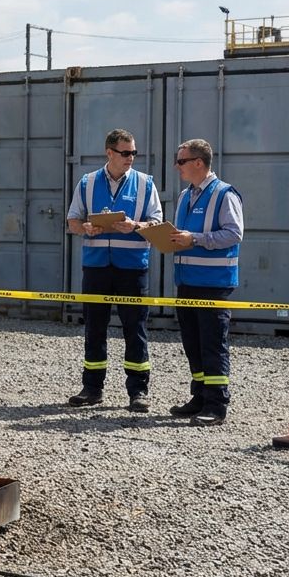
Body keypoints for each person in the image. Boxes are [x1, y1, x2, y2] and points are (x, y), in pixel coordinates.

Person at [65, 128, 162, 411]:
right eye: (125, 153)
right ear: (109, 153)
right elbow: (72, 221)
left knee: (135, 329)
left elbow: (157, 223)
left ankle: (138, 392)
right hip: (95, 268)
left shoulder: (146, 184)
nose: (131, 158)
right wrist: (84, 227)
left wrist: (136, 226)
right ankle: (92, 388)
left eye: (133, 152)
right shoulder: (87, 183)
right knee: (94, 328)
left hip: (132, 269)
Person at [168, 138, 243, 426]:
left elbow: (234, 234)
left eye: (182, 161)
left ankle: (216, 404)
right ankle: (199, 396)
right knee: (193, 344)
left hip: (213, 283)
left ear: (199, 163)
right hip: (187, 281)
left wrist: (194, 239)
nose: (177, 166)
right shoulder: (186, 196)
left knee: (212, 345)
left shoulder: (225, 194)